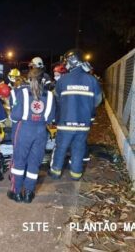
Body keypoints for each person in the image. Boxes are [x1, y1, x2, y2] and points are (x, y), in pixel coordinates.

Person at [49, 49, 102, 181]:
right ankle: (76, 174)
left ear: (72, 62)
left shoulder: (63, 80)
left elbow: (55, 100)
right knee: (78, 148)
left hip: (65, 123)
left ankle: (55, 173)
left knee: (61, 148)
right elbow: (98, 101)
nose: (65, 64)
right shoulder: (92, 80)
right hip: (83, 124)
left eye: (66, 62)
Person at [8, 68, 56, 203]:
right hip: (41, 131)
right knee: (34, 163)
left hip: (24, 130)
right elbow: (51, 118)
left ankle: (17, 193)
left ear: (29, 79)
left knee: (19, 161)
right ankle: (29, 193)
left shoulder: (22, 93)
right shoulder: (50, 95)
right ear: (43, 80)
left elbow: (15, 115)